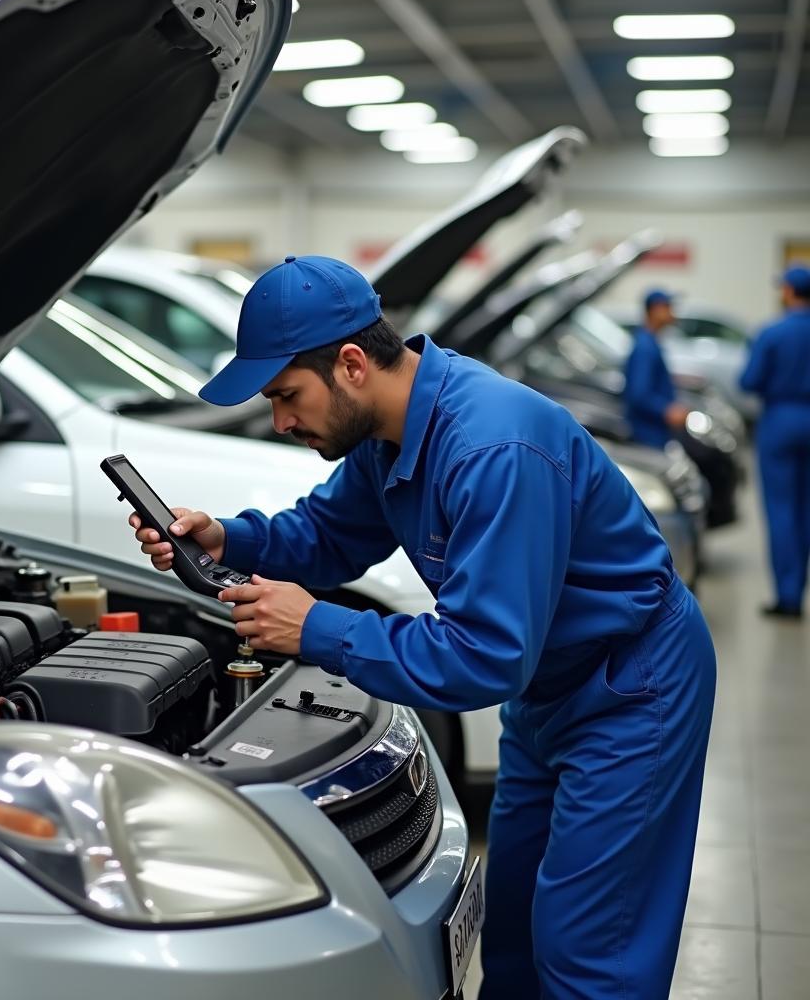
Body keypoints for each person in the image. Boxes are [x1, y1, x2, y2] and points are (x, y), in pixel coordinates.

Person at [128, 255, 716, 1000]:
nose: (279, 422)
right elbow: (331, 533)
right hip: (548, 690)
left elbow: (484, 656)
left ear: (349, 365)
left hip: (632, 687)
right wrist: (228, 540)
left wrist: (316, 627)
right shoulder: (392, 432)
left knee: (590, 952)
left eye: (286, 396)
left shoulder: (493, 449)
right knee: (511, 935)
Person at [740, 264, 810, 619]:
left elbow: (749, 380)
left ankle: (788, 597)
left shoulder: (772, 332)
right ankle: (799, 586)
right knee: (806, 511)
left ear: (787, 292)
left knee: (782, 510)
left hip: (780, 422)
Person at [623, 289, 690, 448]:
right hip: (648, 433)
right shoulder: (645, 347)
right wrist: (667, 410)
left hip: (654, 431)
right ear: (654, 310)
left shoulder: (650, 342)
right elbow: (638, 394)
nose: (672, 312)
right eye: (667, 306)